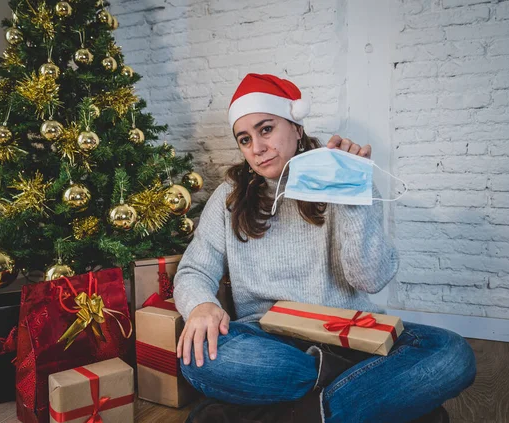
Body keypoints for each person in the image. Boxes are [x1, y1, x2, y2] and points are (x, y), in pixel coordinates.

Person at [172, 73, 476, 423]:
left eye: (266, 129)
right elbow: (195, 269)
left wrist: (350, 195)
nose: (256, 147)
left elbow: (371, 278)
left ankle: (289, 412)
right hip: (270, 343)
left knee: (452, 354)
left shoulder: (351, 175)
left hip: (355, 336)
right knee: (201, 358)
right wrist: (202, 306)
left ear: (296, 127)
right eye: (245, 139)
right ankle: (363, 393)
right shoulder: (227, 196)